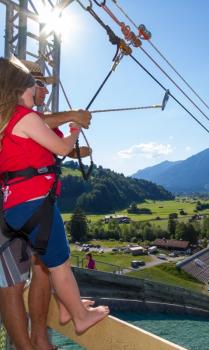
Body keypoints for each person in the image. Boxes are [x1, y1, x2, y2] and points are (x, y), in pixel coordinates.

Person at [0, 58, 109, 349]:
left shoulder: (13, 119)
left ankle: (64, 308)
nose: (44, 91)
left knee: (47, 265)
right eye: (38, 85)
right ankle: (77, 315)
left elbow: (44, 149)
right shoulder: (24, 116)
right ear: (23, 86)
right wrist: (73, 125)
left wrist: (73, 150)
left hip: (17, 206)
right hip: (33, 202)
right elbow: (53, 140)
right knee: (42, 271)